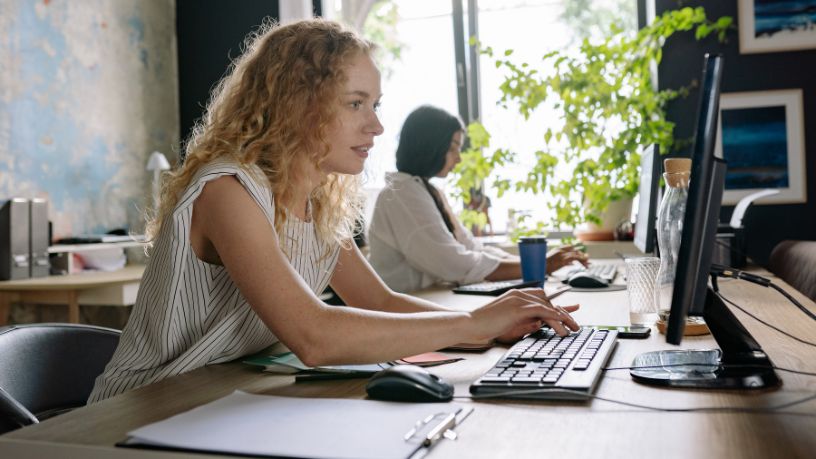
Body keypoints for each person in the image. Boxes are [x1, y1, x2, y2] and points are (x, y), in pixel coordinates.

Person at [88, 19, 579, 402]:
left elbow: (381, 302)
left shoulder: (318, 201)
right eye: (355, 104)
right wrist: (472, 325)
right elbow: (314, 336)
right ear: (297, 104)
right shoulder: (228, 191)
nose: (377, 126)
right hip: (140, 407)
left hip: (221, 396)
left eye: (376, 104)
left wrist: (489, 323)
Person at [368, 105, 588, 293]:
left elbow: (472, 248)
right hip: (408, 309)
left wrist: (539, 263)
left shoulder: (426, 191)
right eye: (453, 148)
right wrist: (542, 265)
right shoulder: (401, 194)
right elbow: (456, 264)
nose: (458, 158)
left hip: (430, 299)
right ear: (430, 145)